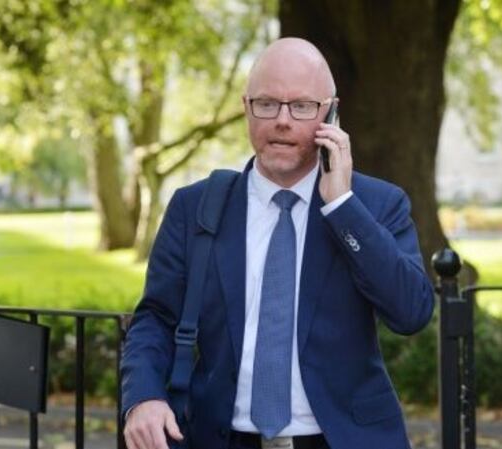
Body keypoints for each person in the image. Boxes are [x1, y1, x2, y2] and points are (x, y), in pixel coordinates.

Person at [121, 37, 435, 449]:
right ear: (246, 106)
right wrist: (142, 397)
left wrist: (341, 204)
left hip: (341, 440)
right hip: (222, 438)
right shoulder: (194, 207)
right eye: (267, 104)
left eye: (302, 106)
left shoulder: (375, 205)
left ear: (331, 112)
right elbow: (156, 318)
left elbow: (411, 312)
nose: (282, 120)